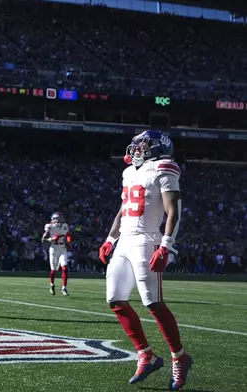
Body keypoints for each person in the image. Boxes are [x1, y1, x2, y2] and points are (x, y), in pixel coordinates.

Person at [99, 130, 193, 390]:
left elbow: (173, 210)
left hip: (147, 239)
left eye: (144, 144)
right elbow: (123, 210)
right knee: (115, 299)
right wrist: (110, 238)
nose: (137, 147)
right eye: (137, 143)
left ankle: (179, 357)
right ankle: (146, 355)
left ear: (158, 147)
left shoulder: (164, 167)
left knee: (153, 303)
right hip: (125, 241)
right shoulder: (129, 172)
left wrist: (166, 245)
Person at [41, 212, 72, 296]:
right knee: (53, 270)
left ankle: (64, 288)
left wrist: (69, 241)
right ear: (53, 219)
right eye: (57, 218)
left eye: (60, 218)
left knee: (65, 268)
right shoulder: (50, 226)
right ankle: (52, 285)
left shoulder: (65, 225)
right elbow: (43, 239)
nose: (58, 220)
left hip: (62, 248)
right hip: (54, 249)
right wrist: (50, 239)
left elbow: (68, 234)